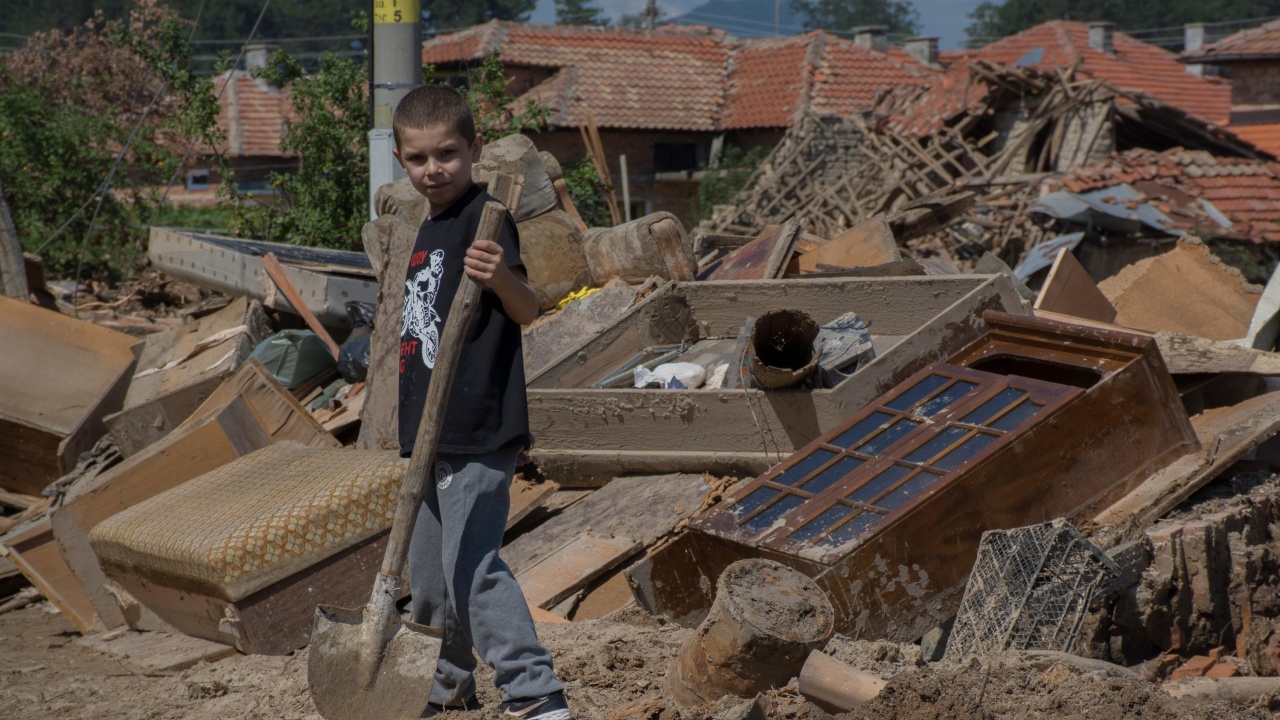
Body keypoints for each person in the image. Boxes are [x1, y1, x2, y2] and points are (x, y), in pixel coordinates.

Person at [393, 84, 571, 720]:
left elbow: (526, 309)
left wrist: (499, 275)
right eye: (418, 158)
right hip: (429, 432)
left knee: (473, 569)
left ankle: (534, 693)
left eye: (447, 153)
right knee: (432, 584)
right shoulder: (427, 227)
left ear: (472, 150)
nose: (433, 169)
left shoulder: (485, 216)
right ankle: (444, 690)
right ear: (400, 159)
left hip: (475, 427)